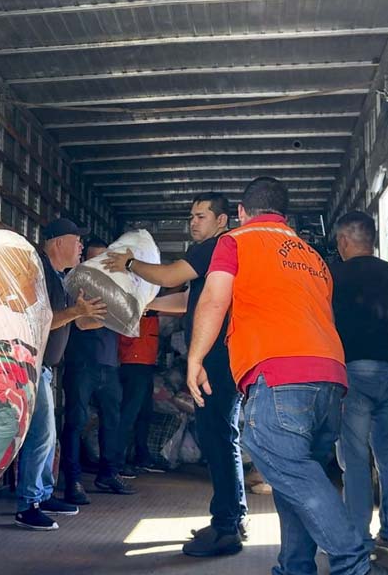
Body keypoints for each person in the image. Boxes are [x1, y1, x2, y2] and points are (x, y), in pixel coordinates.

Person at [187, 177, 385, 575]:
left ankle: (353, 562)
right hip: (329, 377)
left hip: (280, 375)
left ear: (241, 213)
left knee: (290, 470)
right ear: (285, 215)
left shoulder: (236, 242)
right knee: (296, 477)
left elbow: (213, 298)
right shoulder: (312, 256)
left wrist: (196, 358)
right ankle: (295, 567)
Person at [104, 193, 247, 557]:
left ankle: (226, 526)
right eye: (191, 216)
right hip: (222, 359)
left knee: (218, 438)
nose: (193, 222)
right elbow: (185, 300)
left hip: (215, 359)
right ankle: (233, 517)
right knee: (222, 437)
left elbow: (168, 275)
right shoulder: (213, 256)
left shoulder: (214, 248)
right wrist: (143, 305)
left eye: (201, 216)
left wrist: (130, 263)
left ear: (222, 220)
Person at [14, 218, 107, 531]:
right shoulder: (39, 272)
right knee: (40, 436)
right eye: (76, 240)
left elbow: (76, 322)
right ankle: (28, 504)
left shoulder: (62, 277)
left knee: (47, 436)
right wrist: (77, 312)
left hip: (45, 369)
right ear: (57, 242)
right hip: (29, 365)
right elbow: (41, 320)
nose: (81, 246)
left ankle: (42, 493)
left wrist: (109, 316)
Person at [332, 211, 388, 557]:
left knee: (355, 457)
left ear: (344, 241)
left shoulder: (335, 275)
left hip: (354, 371)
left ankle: (358, 540)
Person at [61, 238, 136, 503]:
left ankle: (108, 473)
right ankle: (73, 482)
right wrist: (119, 316)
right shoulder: (76, 283)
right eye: (94, 259)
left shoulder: (115, 285)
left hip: (109, 363)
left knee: (112, 422)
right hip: (81, 363)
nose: (100, 265)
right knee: (75, 422)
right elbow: (81, 322)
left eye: (104, 260)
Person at [117, 313, 160, 477]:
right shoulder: (143, 301)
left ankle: (142, 457)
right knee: (129, 414)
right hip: (135, 361)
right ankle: (118, 463)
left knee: (144, 413)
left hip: (145, 362)